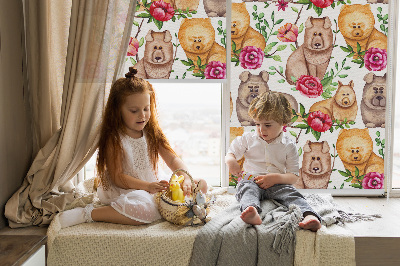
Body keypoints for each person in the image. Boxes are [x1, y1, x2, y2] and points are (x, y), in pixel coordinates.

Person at [59, 67, 207, 228]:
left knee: (201, 184)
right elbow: (118, 178)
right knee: (146, 210)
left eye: (146, 109)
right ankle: (88, 214)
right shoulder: (114, 138)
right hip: (126, 189)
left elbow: (172, 159)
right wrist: (148, 186)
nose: (142, 115)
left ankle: (178, 207)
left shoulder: (151, 132)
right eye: (134, 111)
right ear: (118, 110)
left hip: (152, 184)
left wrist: (185, 176)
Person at [225, 91, 321, 231]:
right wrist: (231, 161)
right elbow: (230, 153)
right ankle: (251, 211)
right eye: (257, 124)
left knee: (292, 195)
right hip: (252, 180)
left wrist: (275, 178)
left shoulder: (288, 145)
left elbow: (293, 177)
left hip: (277, 183)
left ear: (283, 122)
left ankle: (309, 216)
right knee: (247, 190)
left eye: (267, 125)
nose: (261, 129)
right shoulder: (248, 139)